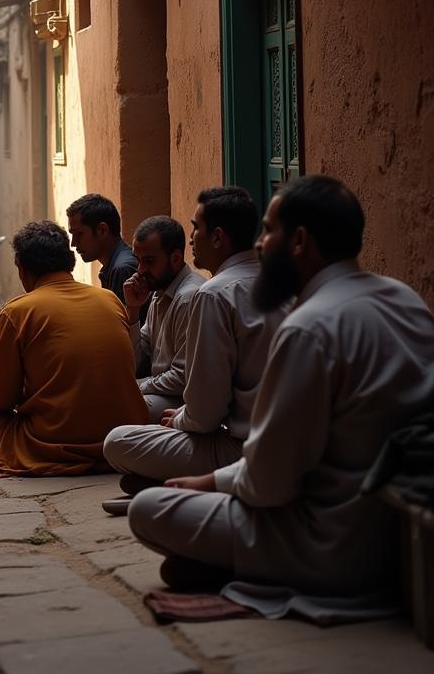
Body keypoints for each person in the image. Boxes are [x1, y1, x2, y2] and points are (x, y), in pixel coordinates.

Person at [128, 176, 434, 595]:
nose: (258, 244)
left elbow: (270, 484)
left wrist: (212, 482)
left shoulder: (308, 326)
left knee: (149, 508)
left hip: (330, 540)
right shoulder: (405, 299)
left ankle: (256, 567)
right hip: (402, 530)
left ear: (300, 241)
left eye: (270, 231)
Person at [103, 187, 287, 509]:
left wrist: (181, 419)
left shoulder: (210, 294)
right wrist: (132, 314)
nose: (192, 239)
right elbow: (139, 360)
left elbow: (205, 413)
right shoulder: (282, 284)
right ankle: (171, 481)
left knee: (117, 442)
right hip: (280, 444)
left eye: (196, 229)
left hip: (238, 446)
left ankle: (186, 484)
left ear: (217, 238)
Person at [0, 221, 148, 476]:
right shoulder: (110, 299)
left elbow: (0, 401)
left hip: (50, 441)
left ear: (22, 269)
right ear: (69, 261)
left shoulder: (17, 311)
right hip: (122, 435)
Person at [123, 216, 204, 421]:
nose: (140, 271)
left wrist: (138, 385)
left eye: (149, 261)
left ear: (176, 258)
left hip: (181, 401)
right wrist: (133, 309)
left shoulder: (187, 297)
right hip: (159, 392)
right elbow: (136, 362)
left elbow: (182, 378)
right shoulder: (159, 292)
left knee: (120, 406)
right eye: (137, 260)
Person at [66, 192, 139, 307]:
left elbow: (122, 324)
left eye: (79, 234)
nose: (73, 243)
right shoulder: (114, 265)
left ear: (102, 231)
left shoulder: (122, 269)